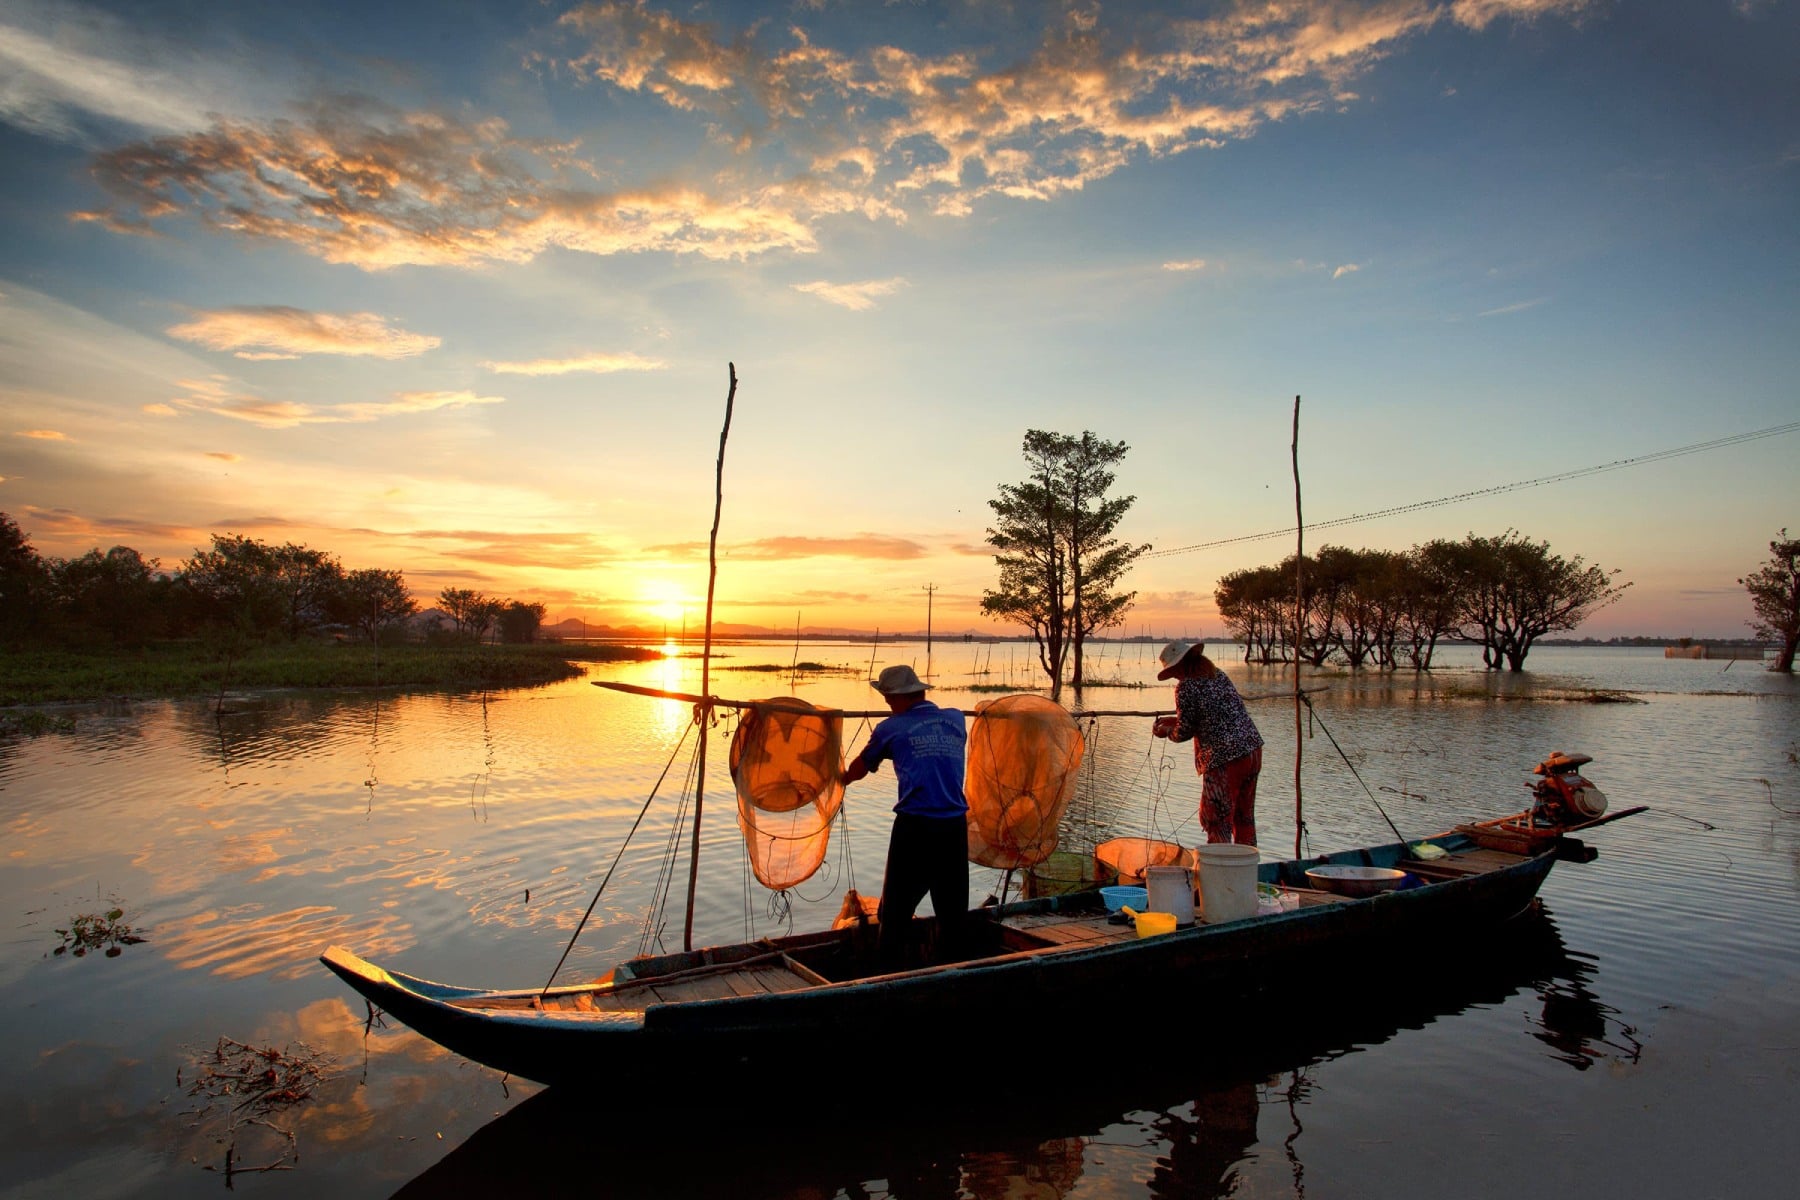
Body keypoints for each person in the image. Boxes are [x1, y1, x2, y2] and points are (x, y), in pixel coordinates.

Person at [842, 663, 969, 967]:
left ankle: (887, 978)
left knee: (894, 914)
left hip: (915, 828)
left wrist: (840, 779)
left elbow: (859, 768)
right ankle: (956, 973)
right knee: (952, 914)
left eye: (888, 700)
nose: (887, 705)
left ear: (898, 698)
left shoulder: (890, 728)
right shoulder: (956, 719)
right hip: (954, 827)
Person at [1151, 640, 1263, 846]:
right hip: (1252, 749)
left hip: (1224, 757)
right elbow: (1213, 717)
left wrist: (1166, 731)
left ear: (1179, 666)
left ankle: (1219, 872)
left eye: (1174, 671)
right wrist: (1175, 722)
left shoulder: (1185, 687)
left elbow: (1184, 732)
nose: (1174, 676)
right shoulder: (1217, 675)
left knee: (1216, 819)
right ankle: (1246, 870)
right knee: (1243, 815)